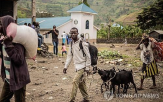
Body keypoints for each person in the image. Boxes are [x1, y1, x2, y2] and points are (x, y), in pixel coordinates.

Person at [0, 15, 30, 102]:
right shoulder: (4, 40)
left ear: (7, 26)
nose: (0, 26)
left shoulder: (17, 40)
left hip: (19, 78)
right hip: (8, 78)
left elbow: (19, 59)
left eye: (1, 24)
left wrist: (9, 45)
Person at [63, 27, 91, 102]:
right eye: (71, 33)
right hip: (77, 66)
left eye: (74, 32)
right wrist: (65, 67)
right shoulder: (71, 43)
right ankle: (86, 98)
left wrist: (87, 68)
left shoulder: (82, 43)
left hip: (83, 66)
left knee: (75, 81)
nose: (73, 34)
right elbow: (69, 56)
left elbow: (88, 56)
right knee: (81, 83)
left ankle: (71, 100)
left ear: (77, 33)